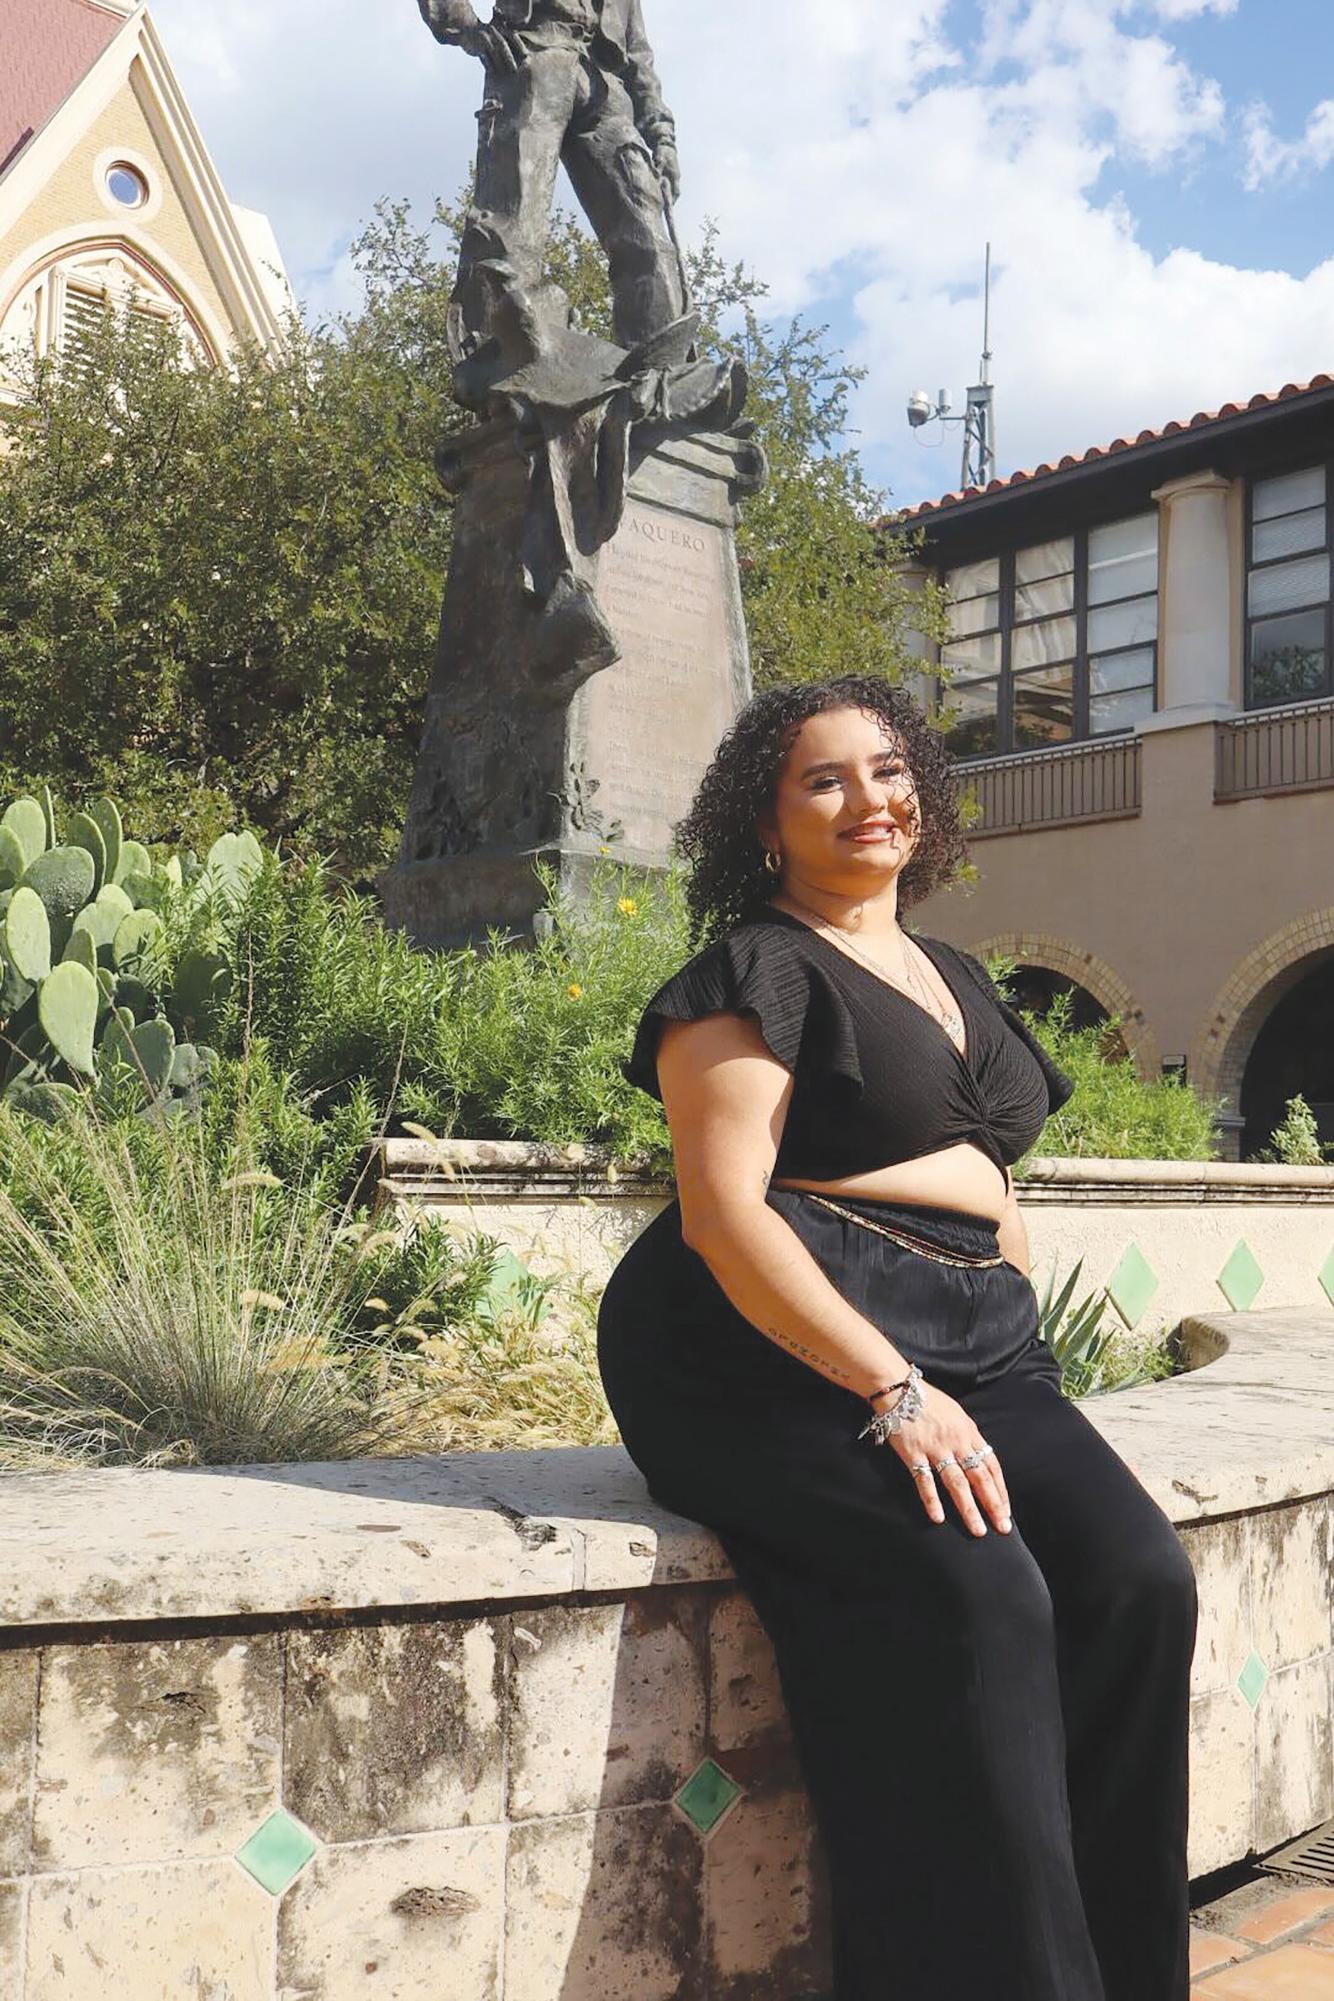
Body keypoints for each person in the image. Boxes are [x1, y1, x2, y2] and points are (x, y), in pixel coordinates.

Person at [597, 675, 1198, 2000]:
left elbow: (991, 1182)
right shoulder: (750, 971)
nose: (866, 799)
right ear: (766, 824)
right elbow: (718, 1215)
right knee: (979, 1598)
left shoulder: (954, 976)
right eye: (822, 779)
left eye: (885, 770)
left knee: (1135, 1583)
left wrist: (1004, 1333)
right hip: (764, 1348)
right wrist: (892, 1386)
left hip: (974, 1332)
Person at [417, 0, 686, 353]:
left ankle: (659, 375)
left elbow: (637, 53)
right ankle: (499, 363)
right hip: (531, 54)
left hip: (603, 82)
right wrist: (468, 30)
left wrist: (661, 136)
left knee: (647, 234)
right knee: (511, 233)